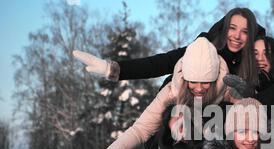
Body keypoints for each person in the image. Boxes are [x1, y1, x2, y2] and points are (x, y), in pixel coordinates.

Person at [72, 37, 230, 149]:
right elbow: (141, 129)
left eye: (206, 82)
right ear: (185, 77)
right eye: (193, 81)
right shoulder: (171, 93)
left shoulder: (228, 88)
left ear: (215, 79)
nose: (199, 88)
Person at [73, 8, 264, 90]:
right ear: (224, 29)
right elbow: (160, 63)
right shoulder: (204, 50)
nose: (237, 36)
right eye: (232, 28)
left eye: (245, 32)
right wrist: (113, 69)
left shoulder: (259, 57)